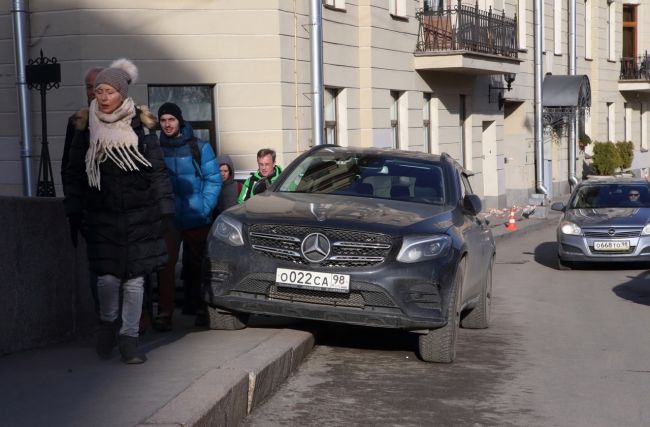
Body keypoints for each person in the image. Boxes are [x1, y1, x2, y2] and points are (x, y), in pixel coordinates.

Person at [62, 58, 174, 364]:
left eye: (109, 91)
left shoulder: (142, 124)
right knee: (108, 279)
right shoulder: (85, 126)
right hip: (101, 216)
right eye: (99, 91)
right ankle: (108, 325)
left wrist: (164, 208)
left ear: (122, 93)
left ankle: (129, 340)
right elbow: (73, 173)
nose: (103, 97)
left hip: (140, 215)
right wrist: (74, 209)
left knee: (135, 280)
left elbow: (158, 171)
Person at [154, 102, 221, 331]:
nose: (167, 124)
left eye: (171, 119)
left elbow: (213, 180)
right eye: (163, 120)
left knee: (199, 266)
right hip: (168, 218)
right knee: (165, 266)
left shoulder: (199, 147)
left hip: (196, 216)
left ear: (179, 120)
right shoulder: (156, 148)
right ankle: (165, 313)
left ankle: (203, 308)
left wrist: (204, 207)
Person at [60, 66, 103, 314]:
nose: (92, 92)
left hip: (118, 205)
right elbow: (68, 166)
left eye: (96, 87)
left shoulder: (125, 119)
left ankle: (136, 319)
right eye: (88, 87)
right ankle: (105, 322)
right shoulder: (76, 121)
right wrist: (73, 206)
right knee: (96, 266)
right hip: (89, 207)